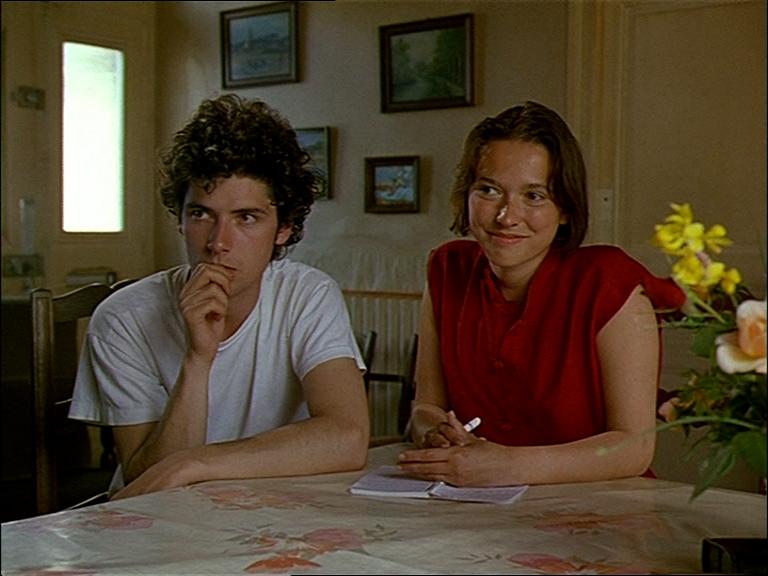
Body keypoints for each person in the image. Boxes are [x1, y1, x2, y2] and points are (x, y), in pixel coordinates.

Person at [69, 94, 370, 499]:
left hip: (275, 508)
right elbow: (147, 486)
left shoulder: (307, 295)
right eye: (201, 214)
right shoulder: (123, 318)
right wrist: (198, 359)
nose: (217, 243)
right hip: (160, 519)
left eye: (246, 218)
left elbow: (347, 436)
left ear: (284, 228)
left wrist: (195, 464)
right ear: (180, 220)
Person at [397, 101, 686, 487]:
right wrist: (437, 434)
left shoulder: (608, 281)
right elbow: (426, 406)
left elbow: (634, 448)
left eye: (534, 196)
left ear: (565, 209)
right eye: (489, 190)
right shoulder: (447, 269)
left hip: (601, 504)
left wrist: (506, 466)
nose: (506, 216)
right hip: (473, 502)